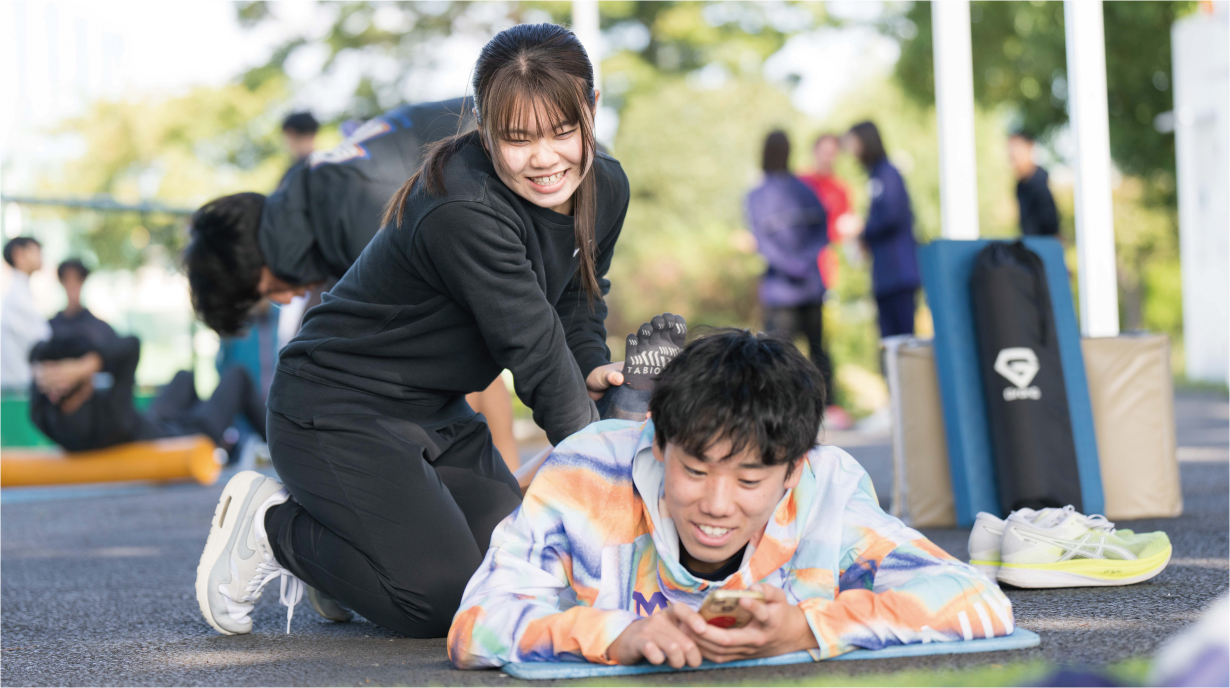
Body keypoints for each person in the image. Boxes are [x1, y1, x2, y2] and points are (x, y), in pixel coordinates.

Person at [194, 23, 633, 639]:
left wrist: (591, 362)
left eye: (564, 131)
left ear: (590, 110)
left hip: (436, 413)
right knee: (441, 600)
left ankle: (345, 548)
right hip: (335, 406)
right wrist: (606, 474)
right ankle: (274, 528)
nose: (544, 158)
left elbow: (580, 295)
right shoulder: (464, 207)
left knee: (507, 576)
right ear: (483, 126)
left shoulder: (605, 185)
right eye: (517, 137)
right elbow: (531, 347)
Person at [447, 330, 1015, 669]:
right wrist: (613, 635)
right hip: (609, 455)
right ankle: (624, 412)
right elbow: (475, 625)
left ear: (792, 470)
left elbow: (975, 600)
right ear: (659, 445)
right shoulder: (586, 471)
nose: (718, 505)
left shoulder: (826, 484)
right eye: (695, 469)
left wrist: (806, 628)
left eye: (749, 482)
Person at [29, 335, 266, 453]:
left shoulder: (47, 418)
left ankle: (228, 445)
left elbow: (37, 388)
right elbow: (131, 345)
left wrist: (49, 374)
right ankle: (275, 445)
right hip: (190, 435)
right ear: (88, 379)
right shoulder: (111, 417)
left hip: (156, 422)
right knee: (238, 375)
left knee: (184, 376)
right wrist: (86, 365)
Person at [745, 131, 835, 410]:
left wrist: (788, 264)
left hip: (781, 289)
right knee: (818, 349)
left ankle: (780, 408)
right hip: (809, 283)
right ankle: (827, 407)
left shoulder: (757, 196)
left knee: (777, 355)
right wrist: (805, 262)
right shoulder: (805, 190)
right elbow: (824, 230)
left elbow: (762, 241)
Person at [844, 122, 920, 338]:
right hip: (886, 275)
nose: (851, 151)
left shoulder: (887, 173)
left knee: (903, 340)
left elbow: (892, 216)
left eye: (853, 143)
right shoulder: (876, 175)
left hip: (899, 273)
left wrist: (861, 231)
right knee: (891, 341)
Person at [797, 133, 851, 290]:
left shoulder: (840, 189)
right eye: (824, 152)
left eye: (832, 153)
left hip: (825, 268)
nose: (828, 157)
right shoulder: (799, 184)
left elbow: (842, 231)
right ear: (814, 151)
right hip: (798, 262)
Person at [2, 237, 50, 390]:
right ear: (19, 254)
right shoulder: (17, 300)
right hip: (18, 389)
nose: (40, 255)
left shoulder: (23, 295)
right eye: (35, 250)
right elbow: (40, 342)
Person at [49, 259, 117, 346]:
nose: (72, 284)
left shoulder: (99, 327)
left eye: (76, 279)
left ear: (83, 281)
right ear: (62, 282)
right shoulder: (50, 327)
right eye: (67, 279)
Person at [1008, 131, 1060, 238]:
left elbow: (1051, 226)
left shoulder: (1040, 183)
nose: (1013, 154)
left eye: (1017, 148)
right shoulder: (1020, 186)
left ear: (1030, 146)